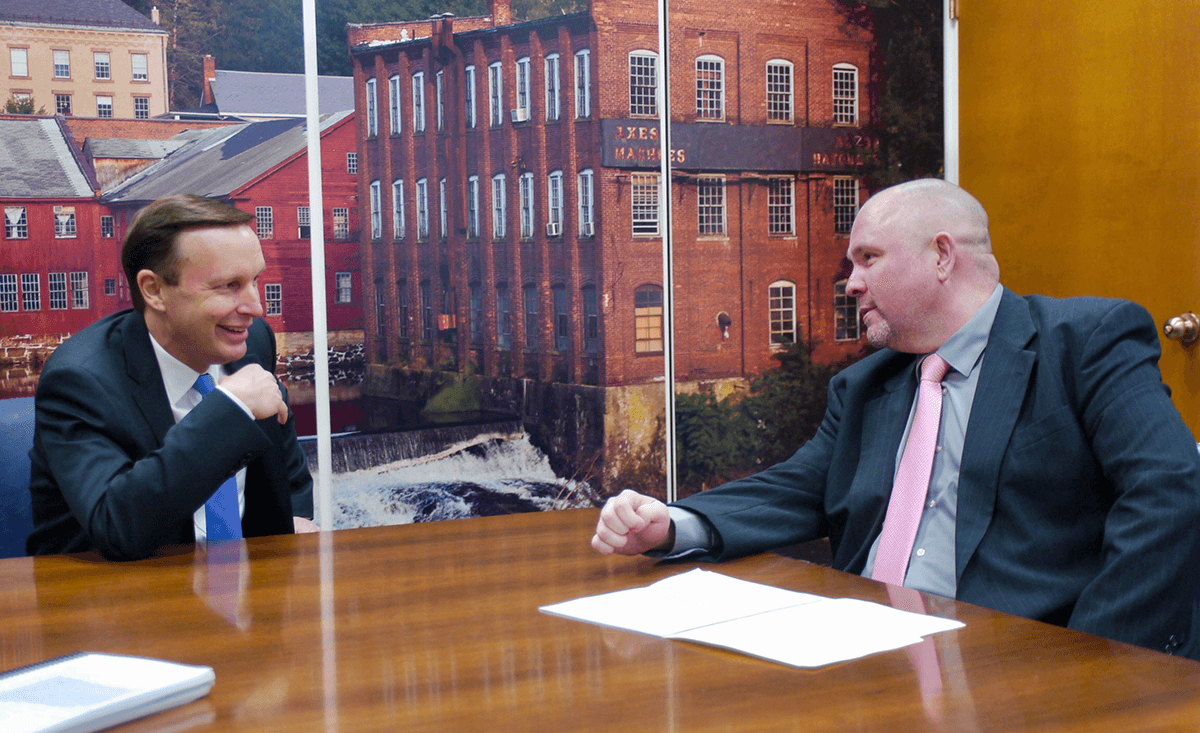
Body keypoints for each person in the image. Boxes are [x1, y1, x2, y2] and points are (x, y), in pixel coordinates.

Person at [592, 178, 1200, 657]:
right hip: (854, 645)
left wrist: (1096, 656)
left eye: (868, 259)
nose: (850, 283)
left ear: (941, 255)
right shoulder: (865, 385)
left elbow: (1168, 492)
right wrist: (673, 524)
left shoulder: (1084, 342)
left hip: (1015, 654)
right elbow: (799, 489)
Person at [27, 195, 318, 561]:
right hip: (113, 597)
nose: (256, 308)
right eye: (228, 285)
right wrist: (231, 409)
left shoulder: (251, 339)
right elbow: (117, 526)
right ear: (154, 290)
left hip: (250, 592)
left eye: (254, 280)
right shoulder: (79, 382)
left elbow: (288, 476)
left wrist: (292, 517)